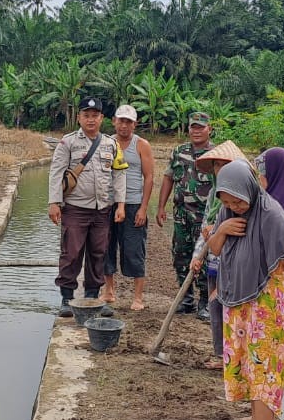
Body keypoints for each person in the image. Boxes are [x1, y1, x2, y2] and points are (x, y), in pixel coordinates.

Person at [206, 160, 284, 420]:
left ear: (248, 188)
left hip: (269, 304)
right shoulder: (226, 211)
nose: (235, 207)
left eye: (238, 201)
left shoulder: (272, 215)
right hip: (239, 302)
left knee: (265, 373)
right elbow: (214, 249)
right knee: (249, 368)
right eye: (228, 201)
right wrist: (223, 229)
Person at [48, 97, 126, 317]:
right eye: (86, 115)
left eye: (95, 116)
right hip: (75, 208)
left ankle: (92, 297)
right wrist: (54, 202)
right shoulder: (68, 142)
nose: (91, 120)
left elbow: (119, 174)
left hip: (102, 210)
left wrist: (120, 205)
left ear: (102, 118)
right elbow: (56, 172)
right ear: (79, 118)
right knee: (71, 253)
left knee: (98, 252)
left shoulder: (111, 144)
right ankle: (66, 297)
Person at [186, 140, 251, 370]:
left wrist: (218, 229)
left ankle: (238, 357)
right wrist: (198, 256)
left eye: (226, 164)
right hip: (214, 258)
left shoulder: (245, 196)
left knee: (235, 310)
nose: (221, 169)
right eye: (217, 165)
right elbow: (206, 226)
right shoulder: (215, 193)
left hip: (235, 263)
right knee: (215, 307)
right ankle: (219, 354)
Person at [155, 111, 214, 316]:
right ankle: (185, 299)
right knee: (180, 255)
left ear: (210, 129)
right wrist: (161, 207)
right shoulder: (179, 152)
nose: (196, 131)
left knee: (204, 259)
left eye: (201, 127)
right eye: (193, 127)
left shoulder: (216, 154)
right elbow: (168, 178)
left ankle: (205, 302)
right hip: (181, 215)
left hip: (205, 217)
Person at [100, 104, 154, 311]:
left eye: (128, 122)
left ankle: (138, 297)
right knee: (106, 247)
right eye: (121, 120)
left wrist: (143, 208)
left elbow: (149, 177)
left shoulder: (142, 145)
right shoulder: (106, 143)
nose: (124, 125)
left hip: (133, 204)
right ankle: (109, 290)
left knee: (134, 249)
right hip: (108, 203)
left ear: (135, 124)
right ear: (114, 121)